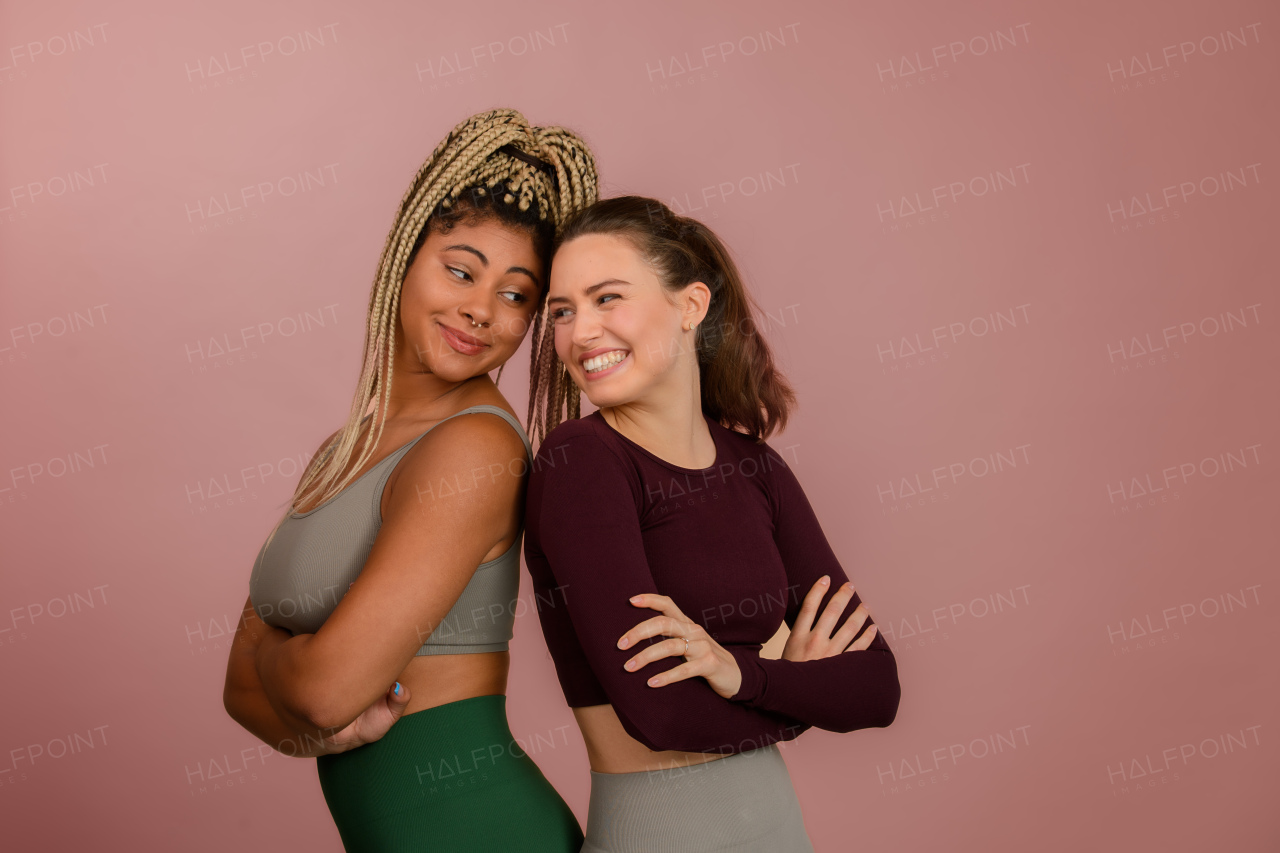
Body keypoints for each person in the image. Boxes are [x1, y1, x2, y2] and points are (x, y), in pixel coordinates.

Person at [222, 108, 599, 852]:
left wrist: (278, 659)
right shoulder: (346, 447)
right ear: (405, 251)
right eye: (460, 270)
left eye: (517, 294)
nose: (480, 310)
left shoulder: (477, 450)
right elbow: (240, 698)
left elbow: (325, 693)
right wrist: (302, 697)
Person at [523, 196, 901, 852]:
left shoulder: (757, 469)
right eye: (562, 311)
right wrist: (791, 684)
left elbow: (876, 685)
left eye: (607, 298)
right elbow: (658, 712)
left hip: (781, 830)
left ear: (689, 306)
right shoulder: (581, 461)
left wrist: (739, 674)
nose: (579, 333)